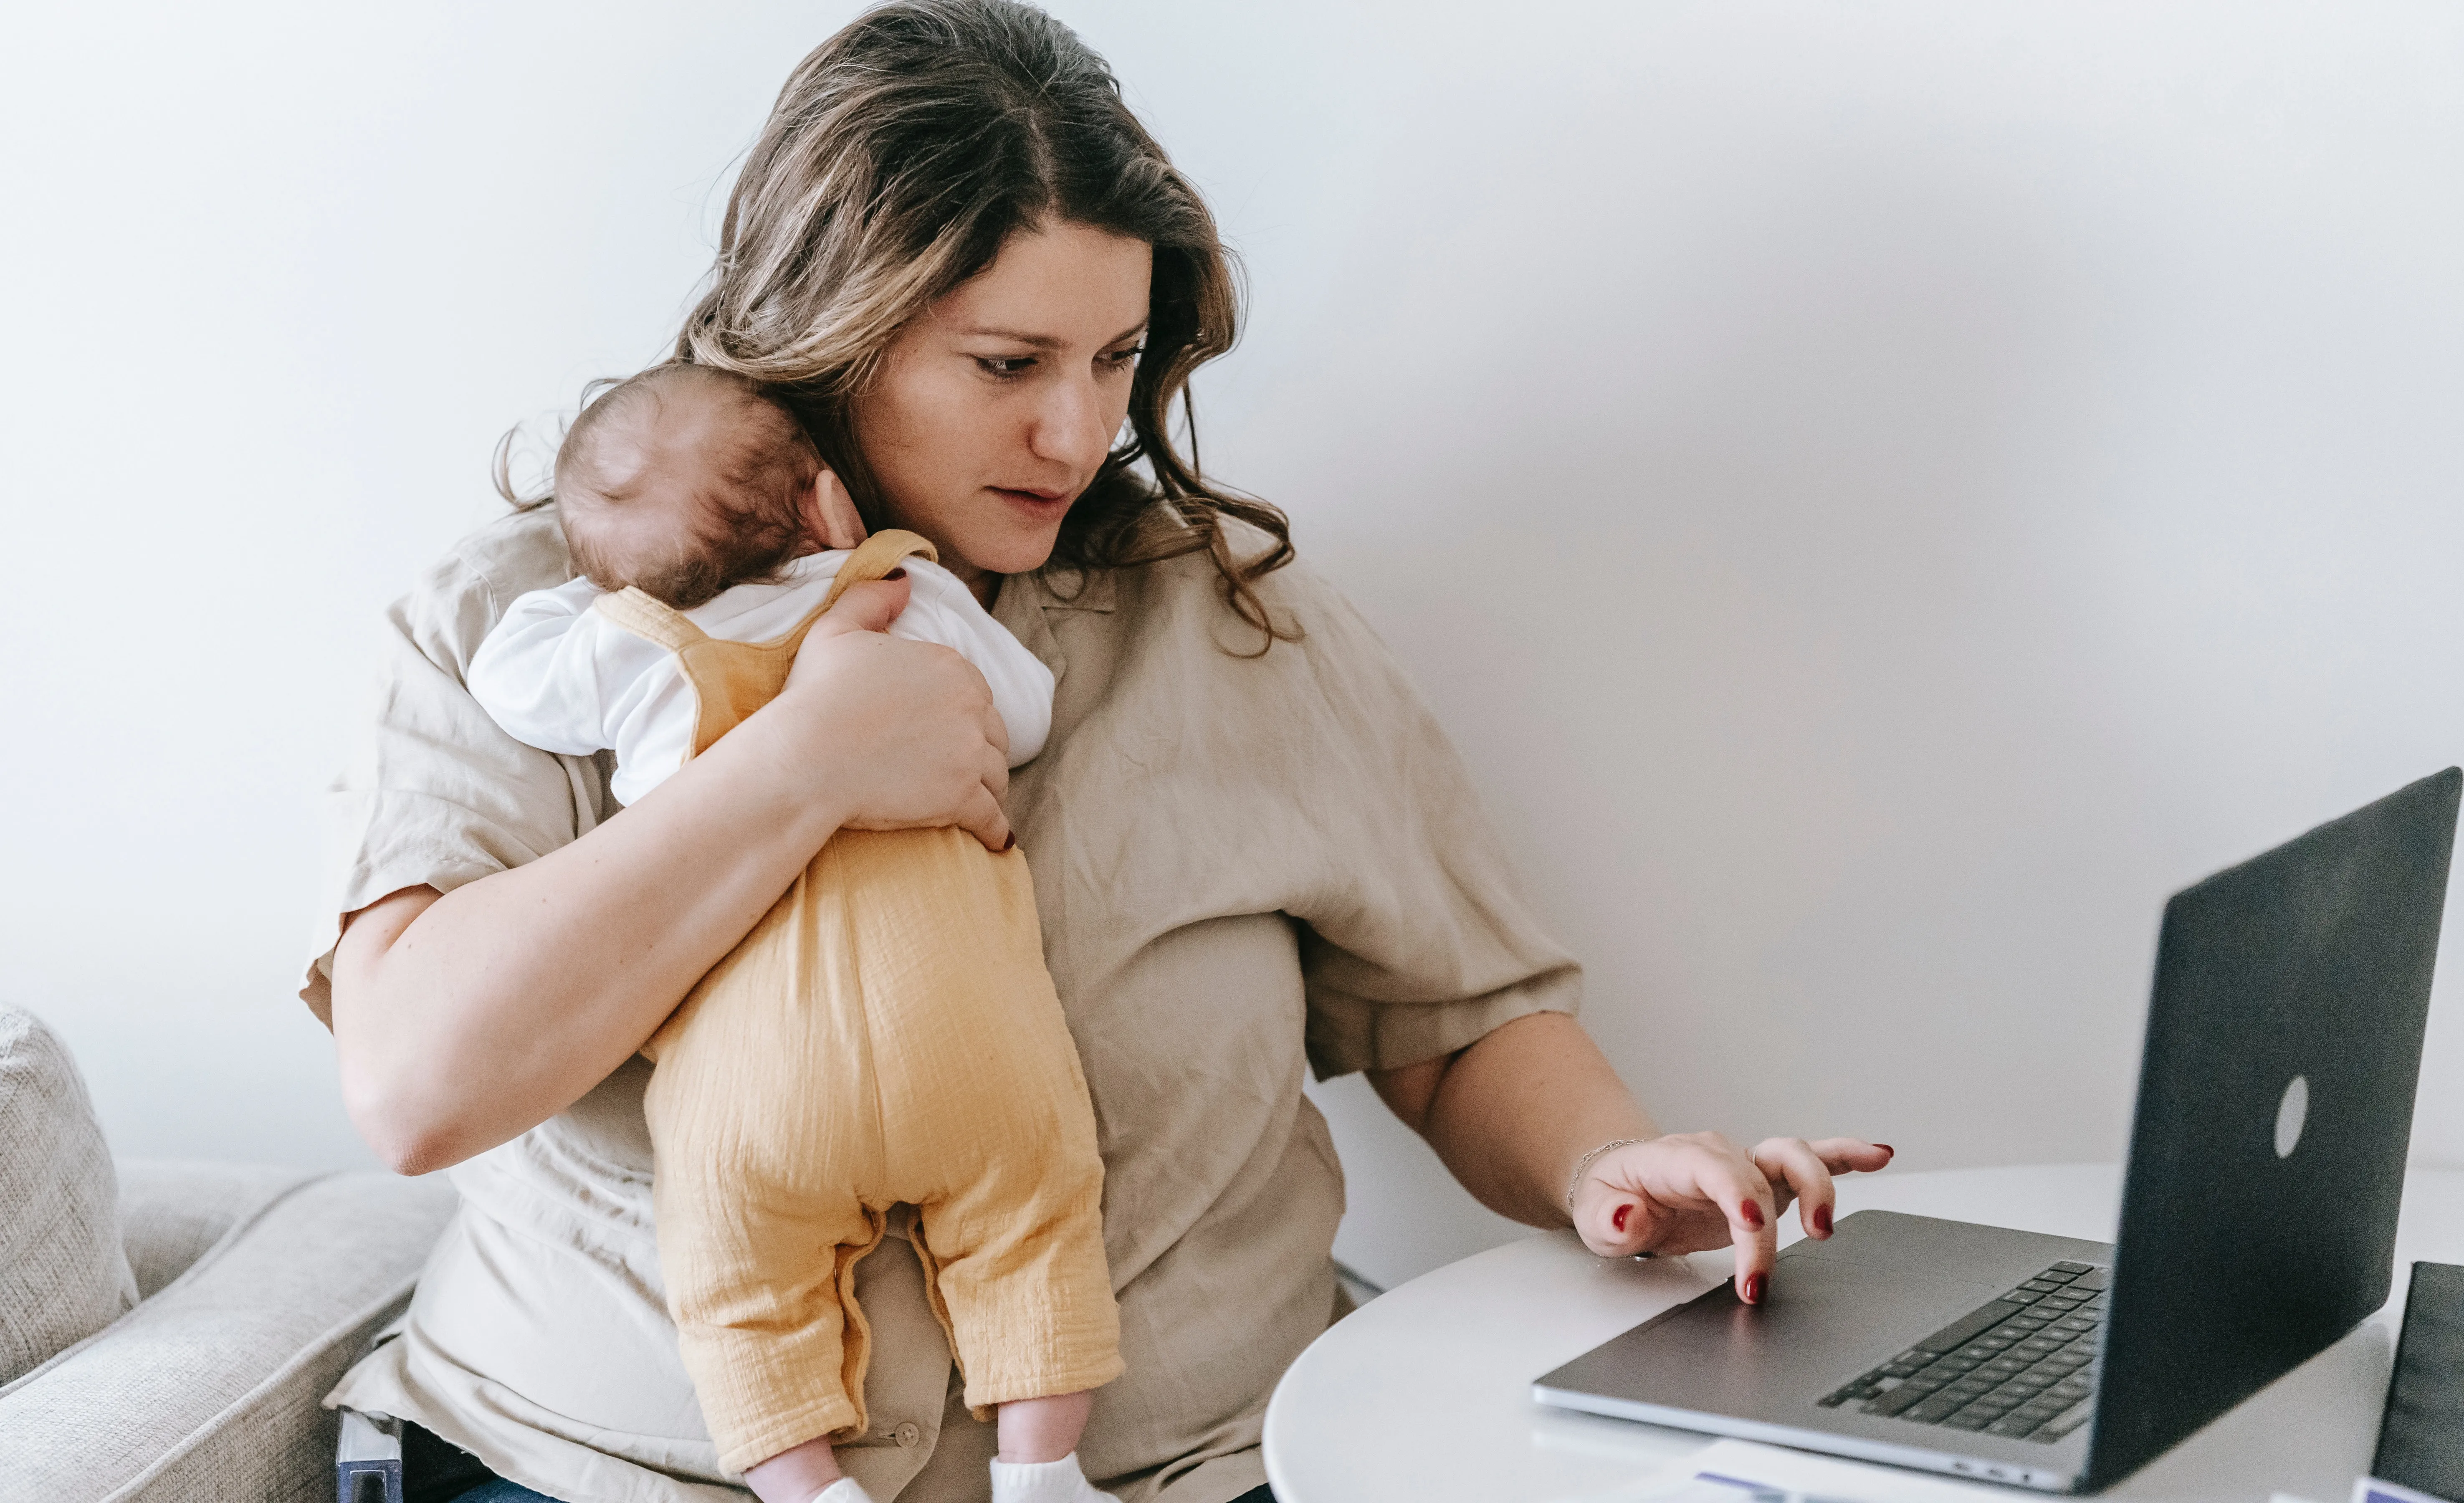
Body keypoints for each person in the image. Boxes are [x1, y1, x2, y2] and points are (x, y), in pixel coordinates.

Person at [310, 5, 1893, 1502]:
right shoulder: (536, 628)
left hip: (1196, 1466)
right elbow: (417, 1087)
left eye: (1115, 361)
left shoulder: (1231, 628)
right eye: (1008, 365)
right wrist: (798, 767)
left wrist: (1610, 1165)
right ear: (826, 336)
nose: (1076, 435)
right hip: (612, 1470)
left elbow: (1452, 1021)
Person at [464, 362, 1122, 1503]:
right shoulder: (903, 591)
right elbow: (1022, 713)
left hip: (755, 1082)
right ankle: (1044, 1471)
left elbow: (507, 678)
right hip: (963, 1031)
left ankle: (807, 1489)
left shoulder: (635, 649)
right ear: (827, 504)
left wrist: (601, 587)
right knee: (1037, 1224)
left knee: (736, 1288)